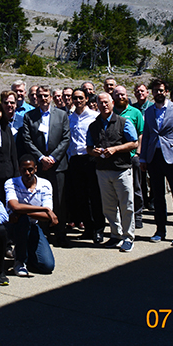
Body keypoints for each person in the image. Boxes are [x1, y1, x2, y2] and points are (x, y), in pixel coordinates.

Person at [140, 79, 173, 247]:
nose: (158, 93)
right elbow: (146, 135)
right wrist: (143, 158)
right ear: (152, 93)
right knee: (158, 196)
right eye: (155, 90)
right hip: (154, 158)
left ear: (166, 91)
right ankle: (160, 230)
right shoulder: (149, 112)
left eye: (161, 90)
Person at [87, 93, 139, 253]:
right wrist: (94, 152)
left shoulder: (124, 122)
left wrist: (116, 149)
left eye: (106, 102)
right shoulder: (93, 125)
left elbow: (134, 143)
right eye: (100, 103)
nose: (103, 105)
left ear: (112, 103)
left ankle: (128, 237)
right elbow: (88, 147)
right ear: (96, 105)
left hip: (121, 169)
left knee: (126, 205)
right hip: (102, 170)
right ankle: (115, 235)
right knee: (109, 207)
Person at [21, 85, 71, 247]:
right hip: (39, 166)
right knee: (39, 200)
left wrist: (53, 158)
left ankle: (60, 234)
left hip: (58, 166)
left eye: (46, 95)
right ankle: (43, 234)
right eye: (40, 95)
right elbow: (27, 140)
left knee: (59, 200)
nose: (43, 98)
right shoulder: (29, 116)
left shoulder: (62, 115)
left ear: (50, 97)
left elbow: (65, 138)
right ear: (36, 97)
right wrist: (42, 158)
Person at [4, 155, 56, 276]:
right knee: (23, 220)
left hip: (33, 225)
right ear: (19, 169)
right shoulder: (11, 183)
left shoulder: (45, 184)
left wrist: (24, 211)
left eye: (30, 169)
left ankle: (24, 252)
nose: (27, 173)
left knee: (47, 266)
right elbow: (14, 206)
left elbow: (47, 215)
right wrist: (42, 209)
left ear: (36, 169)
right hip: (13, 226)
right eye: (24, 170)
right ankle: (20, 262)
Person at [66, 88, 103, 244]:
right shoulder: (69, 118)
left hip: (91, 158)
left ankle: (98, 229)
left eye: (81, 98)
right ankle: (88, 228)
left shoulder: (95, 117)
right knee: (80, 196)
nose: (78, 101)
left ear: (87, 99)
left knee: (94, 196)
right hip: (75, 160)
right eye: (75, 98)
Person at [111, 85, 146, 229]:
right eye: (117, 95)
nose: (120, 97)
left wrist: (138, 153)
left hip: (132, 156)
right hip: (115, 158)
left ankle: (137, 216)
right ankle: (120, 218)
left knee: (136, 188)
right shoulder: (109, 112)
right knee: (117, 190)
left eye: (123, 94)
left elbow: (141, 134)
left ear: (127, 95)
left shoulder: (135, 112)